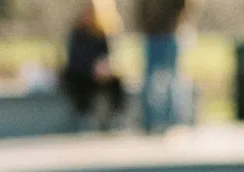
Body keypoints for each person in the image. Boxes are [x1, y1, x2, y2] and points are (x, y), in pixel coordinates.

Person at [62, 0, 126, 129]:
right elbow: (74, 58)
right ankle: (84, 116)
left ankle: (115, 115)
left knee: (116, 82)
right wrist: (92, 68)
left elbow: (106, 55)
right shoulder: (77, 33)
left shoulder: (100, 33)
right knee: (81, 83)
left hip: (99, 73)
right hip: (81, 71)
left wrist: (105, 67)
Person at [135, 0, 190, 133]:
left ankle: (173, 122)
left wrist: (176, 23)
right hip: (152, 35)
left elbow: (184, 6)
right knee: (151, 80)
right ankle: (152, 122)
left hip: (169, 34)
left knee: (172, 79)